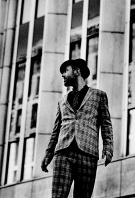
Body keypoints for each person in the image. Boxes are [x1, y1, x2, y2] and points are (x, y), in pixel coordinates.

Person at [41, 58, 113, 198]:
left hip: (87, 153)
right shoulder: (62, 101)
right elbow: (56, 131)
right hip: (63, 152)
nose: (63, 75)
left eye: (66, 71)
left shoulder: (99, 96)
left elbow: (106, 124)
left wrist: (108, 147)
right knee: (58, 196)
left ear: (77, 71)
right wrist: (48, 154)